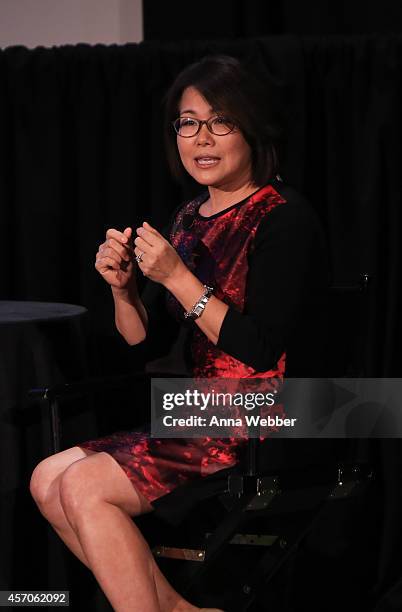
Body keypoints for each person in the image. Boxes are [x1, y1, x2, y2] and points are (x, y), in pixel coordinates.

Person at [29, 55, 329, 611]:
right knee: (47, 478)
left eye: (221, 122)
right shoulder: (188, 217)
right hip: (198, 411)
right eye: (188, 122)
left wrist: (177, 277)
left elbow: (259, 349)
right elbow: (142, 341)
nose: (201, 138)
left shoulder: (284, 218)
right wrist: (123, 290)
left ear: (253, 129)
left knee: (82, 486)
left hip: (270, 413)